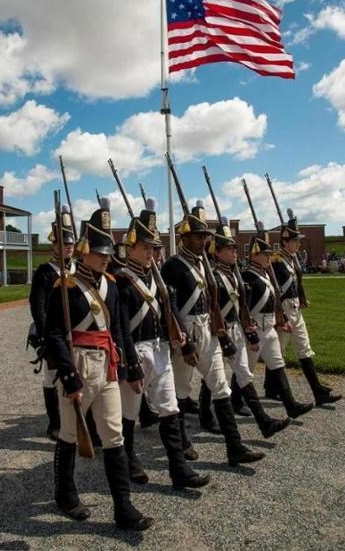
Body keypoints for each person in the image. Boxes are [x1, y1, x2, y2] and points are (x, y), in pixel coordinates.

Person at [45, 198, 153, 531]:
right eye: (100, 253)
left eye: (109, 253)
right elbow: (53, 335)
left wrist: (128, 367)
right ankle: (65, 495)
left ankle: (124, 509)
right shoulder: (64, 287)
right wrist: (69, 376)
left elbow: (118, 328)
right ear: (83, 251)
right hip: (78, 365)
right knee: (67, 435)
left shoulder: (112, 286)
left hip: (106, 365)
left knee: (114, 435)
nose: (107, 257)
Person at [161, 200, 265, 467]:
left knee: (221, 387)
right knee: (181, 391)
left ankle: (235, 447)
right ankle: (182, 439)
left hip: (208, 330)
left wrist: (222, 334)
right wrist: (183, 342)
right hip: (188, 333)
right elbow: (170, 307)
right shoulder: (173, 265)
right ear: (185, 237)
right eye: (198, 236)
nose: (203, 240)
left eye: (205, 236)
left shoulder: (204, 264)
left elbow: (213, 304)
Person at [116, 198, 210, 490]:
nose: (151, 253)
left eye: (153, 247)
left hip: (160, 350)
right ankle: (130, 458)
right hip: (136, 353)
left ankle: (178, 470)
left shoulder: (155, 278)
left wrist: (182, 340)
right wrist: (129, 363)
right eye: (145, 247)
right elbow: (120, 329)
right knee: (129, 415)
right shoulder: (121, 281)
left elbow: (169, 312)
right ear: (129, 247)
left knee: (170, 408)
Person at [199, 217, 291, 438]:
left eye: (234, 249)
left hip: (236, 330)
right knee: (210, 379)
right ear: (217, 252)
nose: (234, 252)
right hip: (218, 333)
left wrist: (248, 331)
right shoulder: (214, 277)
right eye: (229, 249)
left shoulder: (234, 275)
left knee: (245, 375)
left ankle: (264, 422)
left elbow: (241, 309)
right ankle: (205, 415)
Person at [269, 209, 342, 406]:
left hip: (295, 308)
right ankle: (270, 388)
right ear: (285, 241)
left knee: (304, 348)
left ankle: (318, 391)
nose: (298, 244)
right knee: (278, 352)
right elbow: (274, 290)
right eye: (295, 241)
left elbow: (296, 282)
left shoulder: (292, 259)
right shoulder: (275, 261)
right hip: (282, 309)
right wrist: (280, 314)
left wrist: (302, 298)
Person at [242, 225, 314, 418]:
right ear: (254, 255)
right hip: (256, 327)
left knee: (278, 364)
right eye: (264, 255)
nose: (268, 258)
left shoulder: (265, 274)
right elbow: (245, 309)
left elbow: (274, 301)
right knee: (245, 369)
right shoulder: (248, 276)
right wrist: (249, 332)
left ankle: (290, 404)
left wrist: (280, 319)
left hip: (270, 326)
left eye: (268, 254)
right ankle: (235, 401)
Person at [28, 206, 75, 440]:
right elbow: (38, 307)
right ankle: (54, 424)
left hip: (76, 332)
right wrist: (47, 337)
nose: (68, 247)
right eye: (63, 243)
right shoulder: (45, 272)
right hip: (52, 333)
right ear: (54, 245)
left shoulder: (77, 269)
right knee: (51, 377)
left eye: (70, 243)